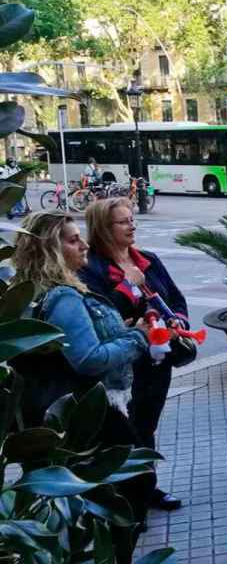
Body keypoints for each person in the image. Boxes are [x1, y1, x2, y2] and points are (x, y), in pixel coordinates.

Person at [11, 210, 154, 563]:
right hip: (81, 413)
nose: (84, 244)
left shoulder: (25, 294)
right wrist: (138, 338)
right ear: (51, 251)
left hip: (41, 414)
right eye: (73, 240)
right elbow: (88, 358)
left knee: (68, 499)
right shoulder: (63, 296)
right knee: (130, 483)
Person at [79, 198, 188, 512]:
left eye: (131, 219)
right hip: (122, 367)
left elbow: (176, 299)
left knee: (146, 426)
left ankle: (145, 487)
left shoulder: (148, 260)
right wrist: (128, 286)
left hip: (157, 361)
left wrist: (177, 320)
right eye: (123, 221)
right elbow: (101, 315)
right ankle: (124, 493)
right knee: (124, 432)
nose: (132, 225)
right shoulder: (91, 270)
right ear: (103, 228)